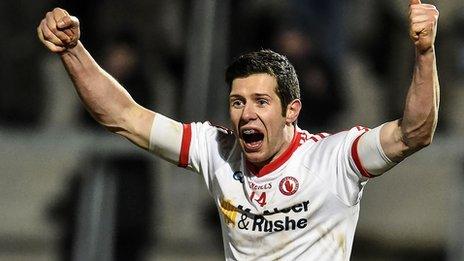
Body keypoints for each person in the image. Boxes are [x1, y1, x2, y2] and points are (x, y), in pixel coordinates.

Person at [37, 0, 439, 260]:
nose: (246, 113)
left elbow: (413, 133)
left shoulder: (334, 159)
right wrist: (73, 52)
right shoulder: (216, 151)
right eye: (237, 101)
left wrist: (424, 53)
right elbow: (123, 116)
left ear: (291, 111)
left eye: (261, 102)